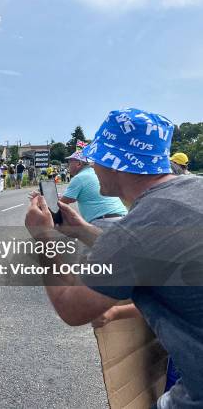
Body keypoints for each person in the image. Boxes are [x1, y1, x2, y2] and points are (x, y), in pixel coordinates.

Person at [25, 108, 203, 409]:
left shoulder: (139, 226)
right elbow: (154, 253)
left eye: (98, 159)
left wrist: (43, 238)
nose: (92, 167)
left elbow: (72, 308)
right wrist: (81, 230)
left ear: (116, 165)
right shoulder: (193, 189)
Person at [59, 150, 127, 225]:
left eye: (70, 162)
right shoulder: (95, 172)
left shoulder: (79, 177)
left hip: (103, 220)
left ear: (79, 163)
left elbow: (63, 203)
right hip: (123, 217)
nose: (68, 165)